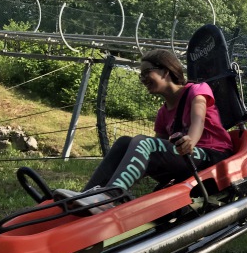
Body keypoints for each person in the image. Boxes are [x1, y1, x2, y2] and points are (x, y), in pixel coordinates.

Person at [83, 49, 234, 192]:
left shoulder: (197, 89)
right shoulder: (163, 113)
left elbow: (198, 120)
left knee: (144, 142)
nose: (143, 79)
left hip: (212, 156)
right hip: (186, 159)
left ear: (166, 71)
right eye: (141, 75)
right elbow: (159, 149)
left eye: (146, 72)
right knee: (124, 143)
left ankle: (112, 195)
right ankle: (87, 195)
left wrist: (191, 141)